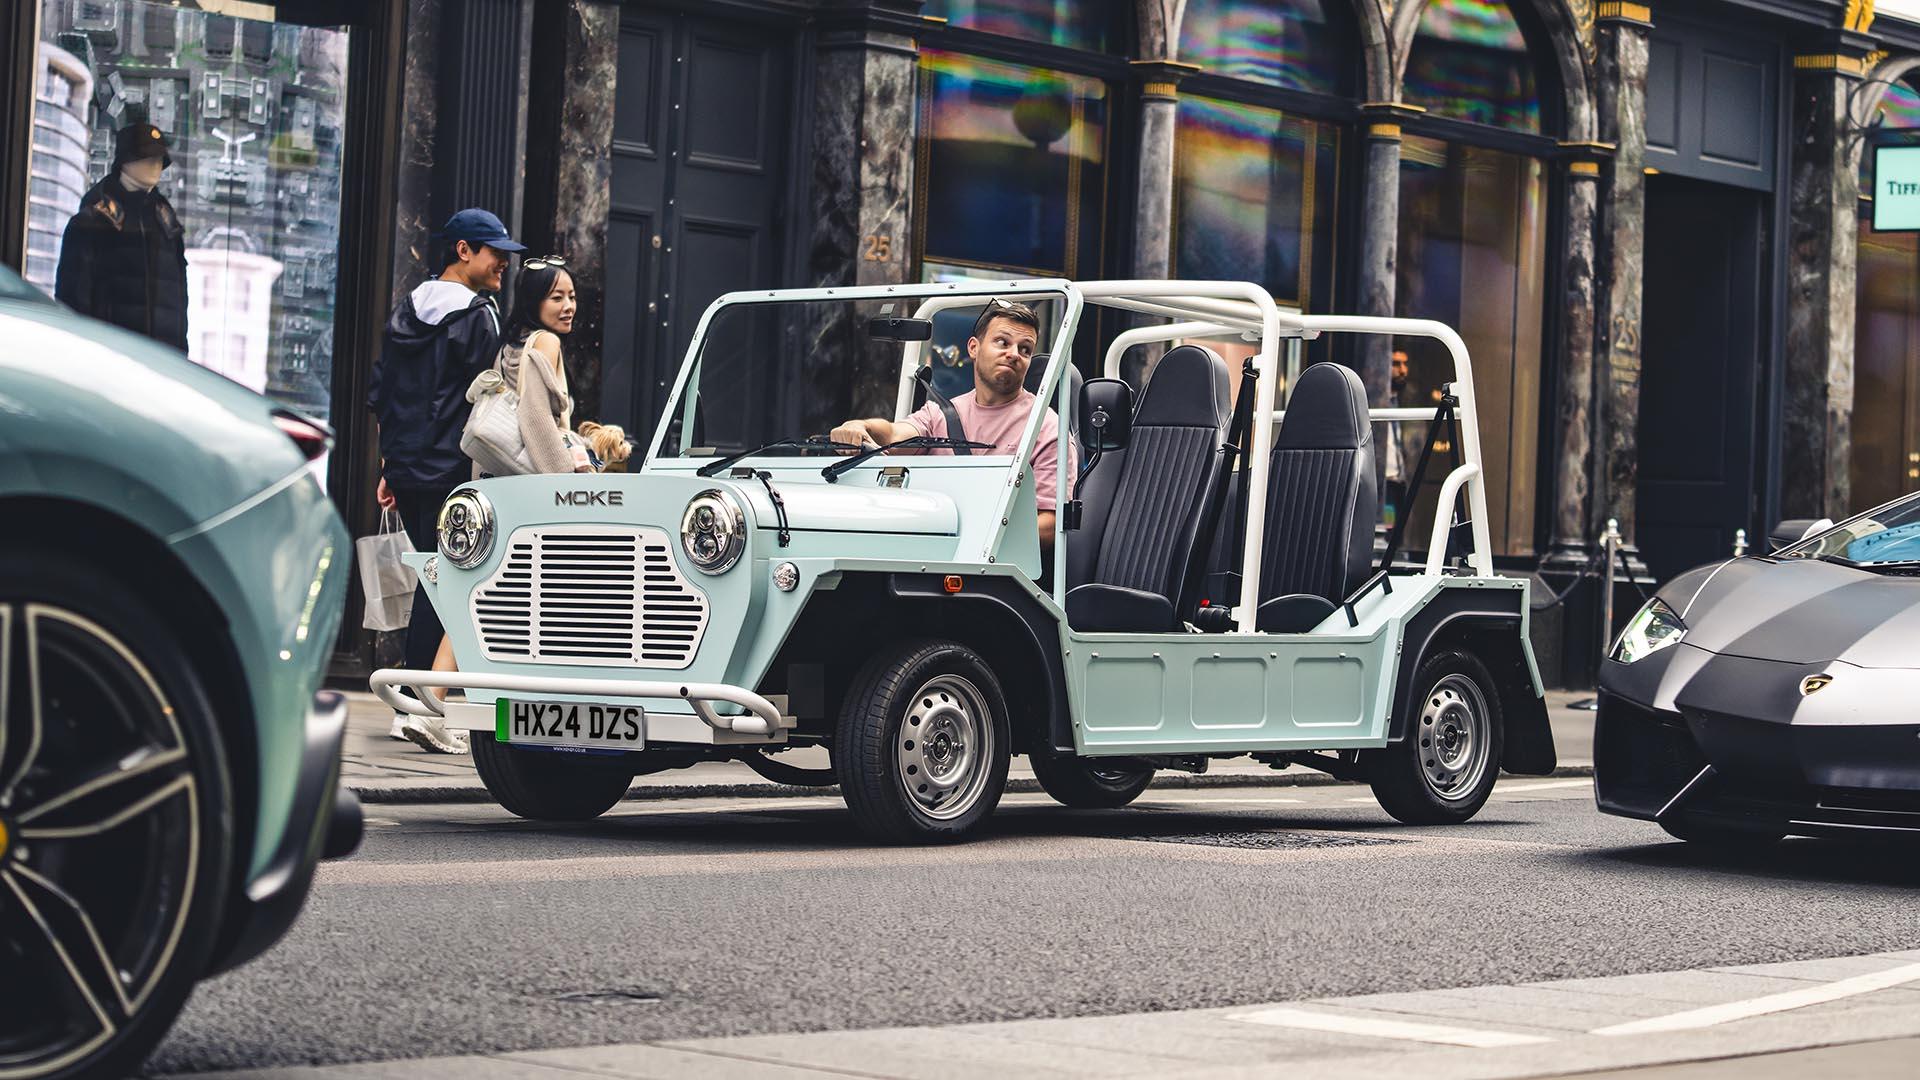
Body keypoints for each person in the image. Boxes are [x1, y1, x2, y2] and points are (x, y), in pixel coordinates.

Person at [368, 208, 523, 752]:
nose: (503, 261)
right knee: (451, 583)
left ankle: (412, 704)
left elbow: (383, 392)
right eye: (493, 251)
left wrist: (389, 465)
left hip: (408, 466)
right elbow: (488, 402)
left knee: (436, 579)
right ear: (463, 251)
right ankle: (421, 706)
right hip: (455, 468)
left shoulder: (406, 310)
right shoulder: (480, 316)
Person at [831, 298, 1074, 551]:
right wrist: (861, 427)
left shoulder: (1046, 428)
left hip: (998, 569)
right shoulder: (941, 414)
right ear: (973, 348)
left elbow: (1051, 526)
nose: (1014, 354)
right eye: (1002, 342)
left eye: (1025, 349)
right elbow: (894, 436)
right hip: (928, 551)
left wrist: (975, 533)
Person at [54, 119, 189, 351]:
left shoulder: (168, 225)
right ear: (125, 161)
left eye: (158, 159)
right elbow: (72, 302)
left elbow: (178, 306)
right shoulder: (91, 222)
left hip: (162, 365)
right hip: (108, 362)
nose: (155, 165)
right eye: (147, 158)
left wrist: (180, 357)